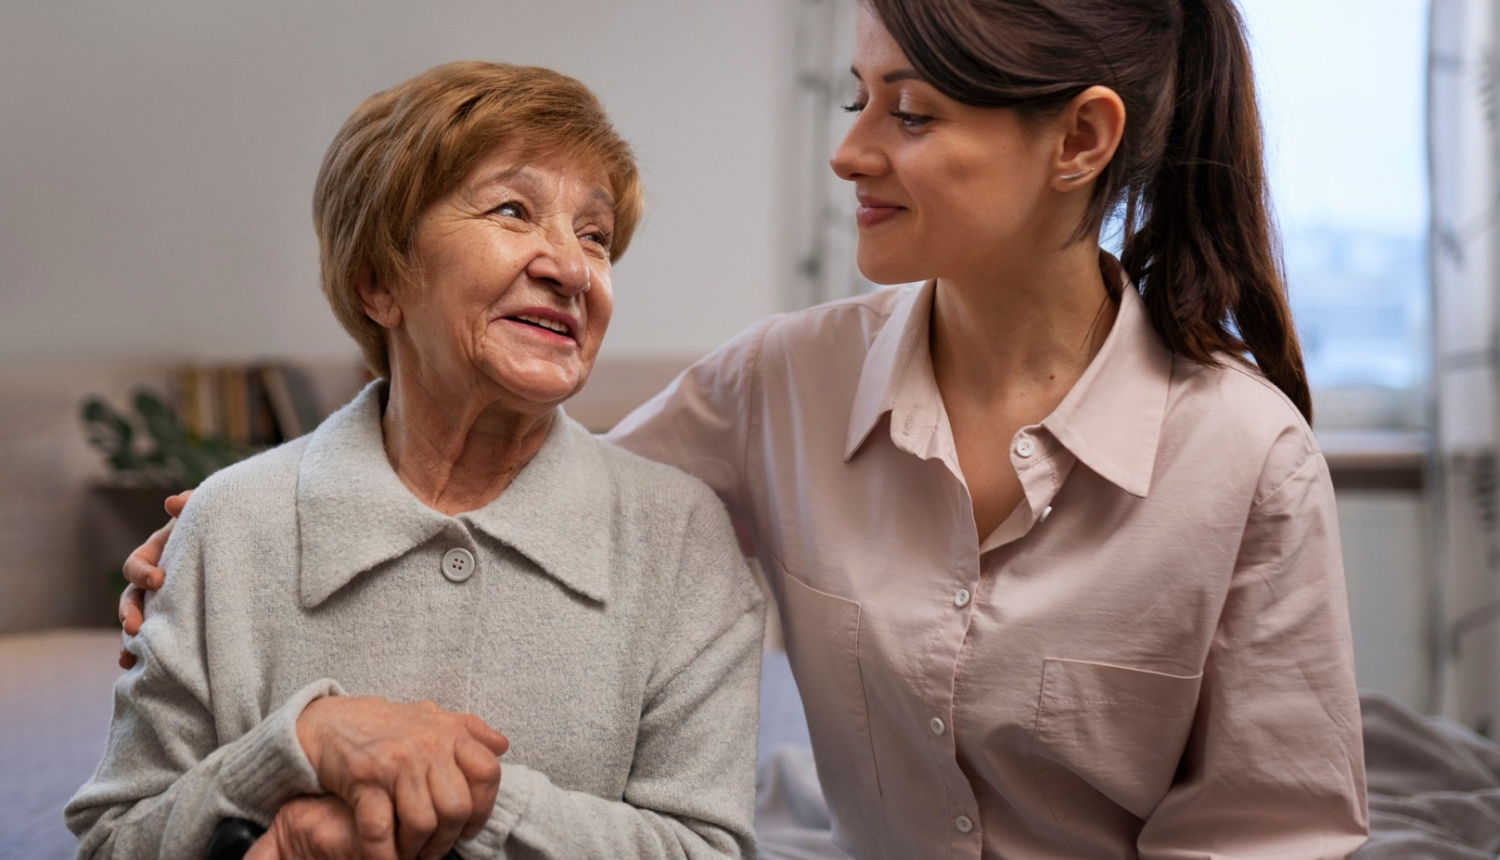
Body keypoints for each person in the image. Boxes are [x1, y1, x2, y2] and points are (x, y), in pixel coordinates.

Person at [118, 0, 1370, 857]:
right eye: (855, 96)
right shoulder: (780, 384)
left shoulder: (1248, 462)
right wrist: (223, 540)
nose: (849, 151)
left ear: (1081, 140)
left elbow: (1273, 831)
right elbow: (542, 501)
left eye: (912, 113)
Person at [70, 61, 764, 860]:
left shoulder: (681, 539)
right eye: (513, 210)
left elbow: (709, 851)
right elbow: (112, 842)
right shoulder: (228, 523)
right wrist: (298, 746)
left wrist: (472, 798)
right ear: (379, 284)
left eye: (595, 236)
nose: (572, 269)